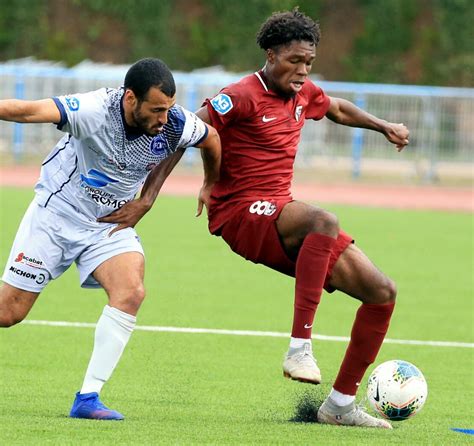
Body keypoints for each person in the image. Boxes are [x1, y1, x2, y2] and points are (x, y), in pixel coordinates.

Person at [102, 10, 410, 429]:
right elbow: (186, 131)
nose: (302, 71)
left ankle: (338, 405)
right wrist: (149, 197)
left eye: (309, 63)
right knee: (323, 220)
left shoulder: (303, 94)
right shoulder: (242, 95)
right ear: (271, 54)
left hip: (280, 214)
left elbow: (336, 108)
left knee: (381, 291)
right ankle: (300, 347)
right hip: (238, 213)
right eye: (294, 61)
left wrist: (384, 125)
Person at [0, 58, 221, 420]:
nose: (164, 119)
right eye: (156, 110)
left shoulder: (175, 122)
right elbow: (27, 111)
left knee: (131, 292)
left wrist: (192, 188)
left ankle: (87, 398)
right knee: (8, 313)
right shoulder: (92, 110)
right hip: (57, 216)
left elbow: (211, 139)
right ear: (130, 98)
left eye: (168, 108)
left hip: (108, 226)